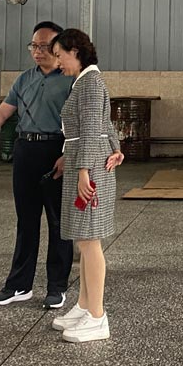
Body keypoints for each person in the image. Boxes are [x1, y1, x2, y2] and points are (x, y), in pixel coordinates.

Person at [0, 21, 76, 309]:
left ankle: (57, 287)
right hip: (26, 149)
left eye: (45, 46)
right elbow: (4, 111)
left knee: (58, 222)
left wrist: (68, 154)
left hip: (56, 149)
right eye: (34, 46)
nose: (38, 51)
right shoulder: (24, 79)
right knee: (26, 220)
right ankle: (19, 285)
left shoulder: (71, 79)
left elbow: (80, 122)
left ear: (59, 48)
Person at [49, 29, 125, 343]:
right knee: (84, 238)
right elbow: (104, 124)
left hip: (89, 167)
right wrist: (116, 147)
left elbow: (93, 128)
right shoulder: (85, 81)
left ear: (75, 51)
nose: (57, 63)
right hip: (87, 160)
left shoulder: (90, 82)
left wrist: (83, 171)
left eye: (59, 55)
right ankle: (83, 305)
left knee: (90, 241)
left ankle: (97, 316)